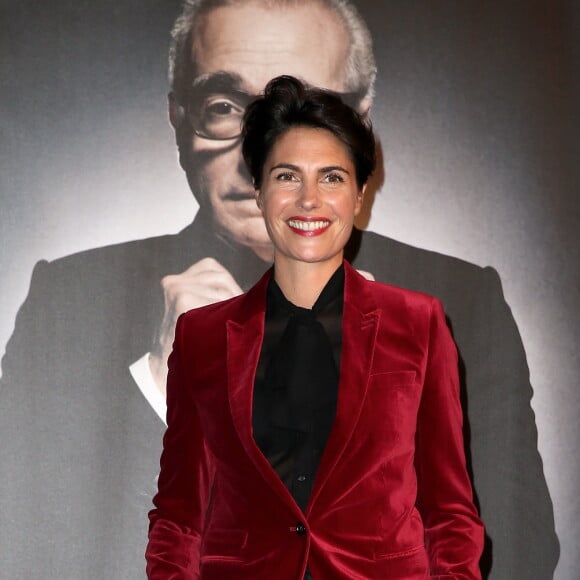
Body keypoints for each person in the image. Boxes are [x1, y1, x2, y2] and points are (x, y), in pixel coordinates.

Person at [0, 1, 558, 578]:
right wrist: (158, 380)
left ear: (360, 123)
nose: (262, 146)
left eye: (311, 111)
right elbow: (52, 528)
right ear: (178, 120)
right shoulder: (67, 298)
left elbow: (501, 535)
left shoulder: (453, 306)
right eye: (222, 106)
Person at [146, 74, 484, 579]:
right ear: (258, 190)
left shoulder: (418, 324)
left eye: (332, 178)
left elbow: (450, 512)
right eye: (286, 176)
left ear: (359, 194)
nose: (309, 200)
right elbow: (178, 517)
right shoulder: (202, 337)